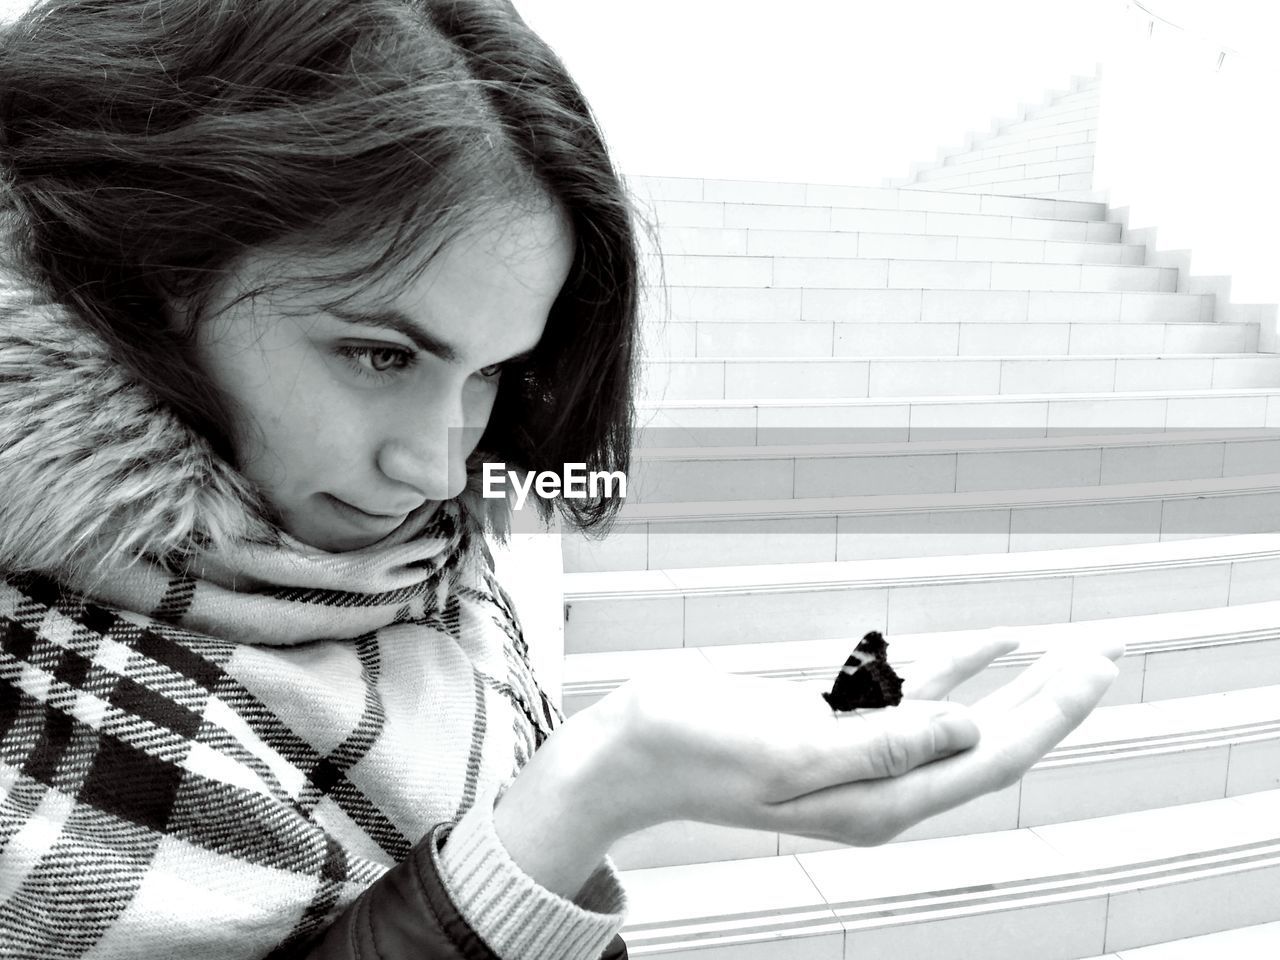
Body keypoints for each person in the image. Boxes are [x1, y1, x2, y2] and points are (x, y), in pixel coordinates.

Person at [0, 1, 1122, 958]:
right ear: (138, 268)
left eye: (489, 371)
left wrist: (599, 786)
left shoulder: (413, 552)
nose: (436, 461)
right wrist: (587, 798)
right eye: (378, 354)